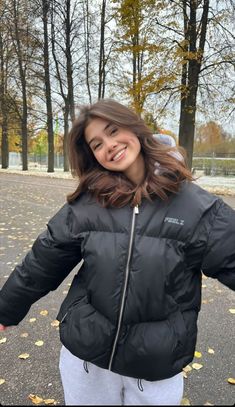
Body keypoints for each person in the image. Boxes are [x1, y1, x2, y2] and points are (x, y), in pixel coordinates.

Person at [0, 99, 234, 406]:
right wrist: (6, 308)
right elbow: (42, 262)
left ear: (134, 128)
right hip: (86, 362)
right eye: (97, 143)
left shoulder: (197, 207)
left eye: (113, 131)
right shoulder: (87, 203)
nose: (109, 145)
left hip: (154, 367)